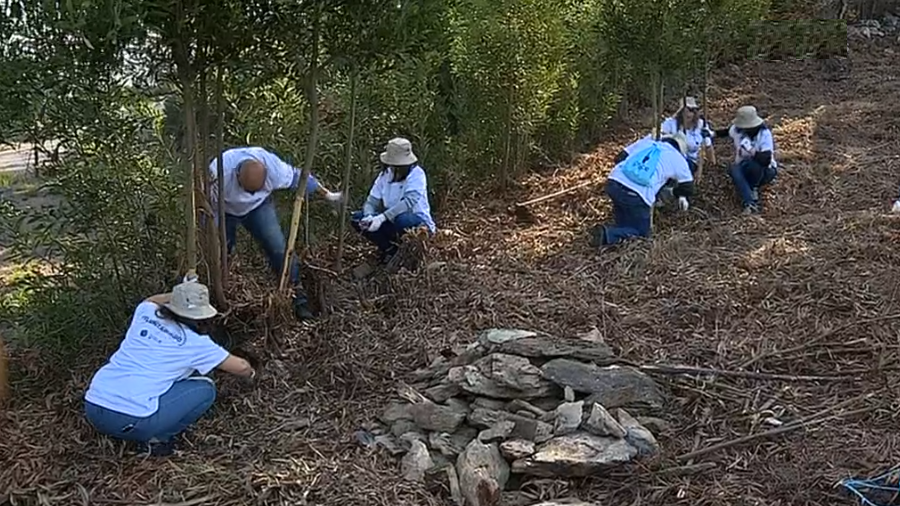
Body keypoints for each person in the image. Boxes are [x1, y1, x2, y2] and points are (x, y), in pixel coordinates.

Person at [84, 279, 255, 456]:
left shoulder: (146, 314)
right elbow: (241, 366)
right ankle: (157, 440)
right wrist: (252, 373)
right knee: (205, 389)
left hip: (93, 405)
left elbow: (151, 300)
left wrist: (180, 294)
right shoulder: (196, 343)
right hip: (131, 420)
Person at [209, 146, 343, 320]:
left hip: (259, 206)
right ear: (236, 175)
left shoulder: (274, 168)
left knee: (279, 249)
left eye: (255, 190)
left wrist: (328, 195)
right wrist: (212, 232)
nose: (249, 194)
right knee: (221, 253)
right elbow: (206, 203)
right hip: (223, 209)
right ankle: (219, 300)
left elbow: (302, 178)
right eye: (247, 191)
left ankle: (296, 296)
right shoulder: (218, 172)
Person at [590, 132, 694, 247]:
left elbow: (619, 157)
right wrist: (671, 192)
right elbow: (688, 188)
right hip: (637, 194)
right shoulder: (678, 159)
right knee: (642, 234)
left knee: (624, 217)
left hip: (613, 183)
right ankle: (607, 234)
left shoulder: (647, 143)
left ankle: (618, 229)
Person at [351, 138, 436, 262]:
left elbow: (408, 202)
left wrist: (382, 217)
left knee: (402, 220)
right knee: (357, 218)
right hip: (391, 222)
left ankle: (411, 253)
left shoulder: (417, 175)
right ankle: (389, 250)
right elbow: (372, 201)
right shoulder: (385, 175)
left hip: (416, 224)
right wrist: (369, 215)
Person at [712, 105, 777, 215]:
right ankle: (750, 201)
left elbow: (766, 160)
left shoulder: (764, 134)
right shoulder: (737, 130)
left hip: (765, 171)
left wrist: (751, 150)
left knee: (755, 166)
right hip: (744, 167)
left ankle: (752, 188)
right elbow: (727, 131)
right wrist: (712, 133)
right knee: (734, 169)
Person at [660, 96, 716, 175]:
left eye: (692, 110)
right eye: (686, 110)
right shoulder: (671, 123)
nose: (688, 114)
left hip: (690, 161)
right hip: (672, 158)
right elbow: (658, 134)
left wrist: (713, 165)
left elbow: (708, 146)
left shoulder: (701, 125)